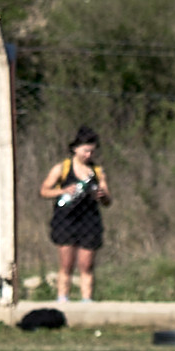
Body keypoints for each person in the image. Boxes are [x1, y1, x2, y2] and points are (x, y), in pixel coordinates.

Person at [40, 128, 111, 303]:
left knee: (86, 265)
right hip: (66, 220)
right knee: (66, 264)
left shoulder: (97, 171)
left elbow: (108, 200)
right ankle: (63, 298)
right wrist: (63, 191)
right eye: (86, 150)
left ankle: (87, 299)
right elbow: (44, 191)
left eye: (92, 151)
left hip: (89, 220)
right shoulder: (62, 168)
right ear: (75, 149)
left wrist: (102, 196)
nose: (89, 154)